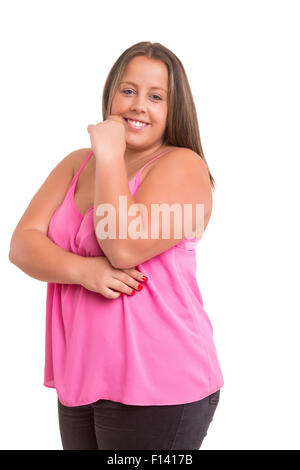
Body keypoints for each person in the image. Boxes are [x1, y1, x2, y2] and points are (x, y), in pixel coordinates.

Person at [9, 41, 224, 450]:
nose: (138, 105)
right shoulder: (77, 162)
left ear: (173, 109)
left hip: (159, 382)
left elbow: (122, 245)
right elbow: (22, 244)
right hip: (83, 376)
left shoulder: (182, 165)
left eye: (156, 96)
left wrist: (109, 155)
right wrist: (84, 271)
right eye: (128, 91)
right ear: (110, 95)